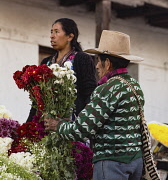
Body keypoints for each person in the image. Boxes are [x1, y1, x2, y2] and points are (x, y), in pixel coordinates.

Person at [44, 30, 145, 180]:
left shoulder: (107, 88)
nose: (97, 66)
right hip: (135, 161)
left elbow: (82, 130)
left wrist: (57, 125)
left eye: (98, 60)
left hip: (113, 163)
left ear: (108, 63)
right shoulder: (134, 85)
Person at [26, 18, 97, 122]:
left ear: (70, 36)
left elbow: (89, 93)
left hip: (71, 123)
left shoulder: (81, 59)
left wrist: (84, 123)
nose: (52, 36)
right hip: (46, 122)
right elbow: (38, 98)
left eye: (56, 32)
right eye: (51, 32)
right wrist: (29, 123)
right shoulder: (46, 62)